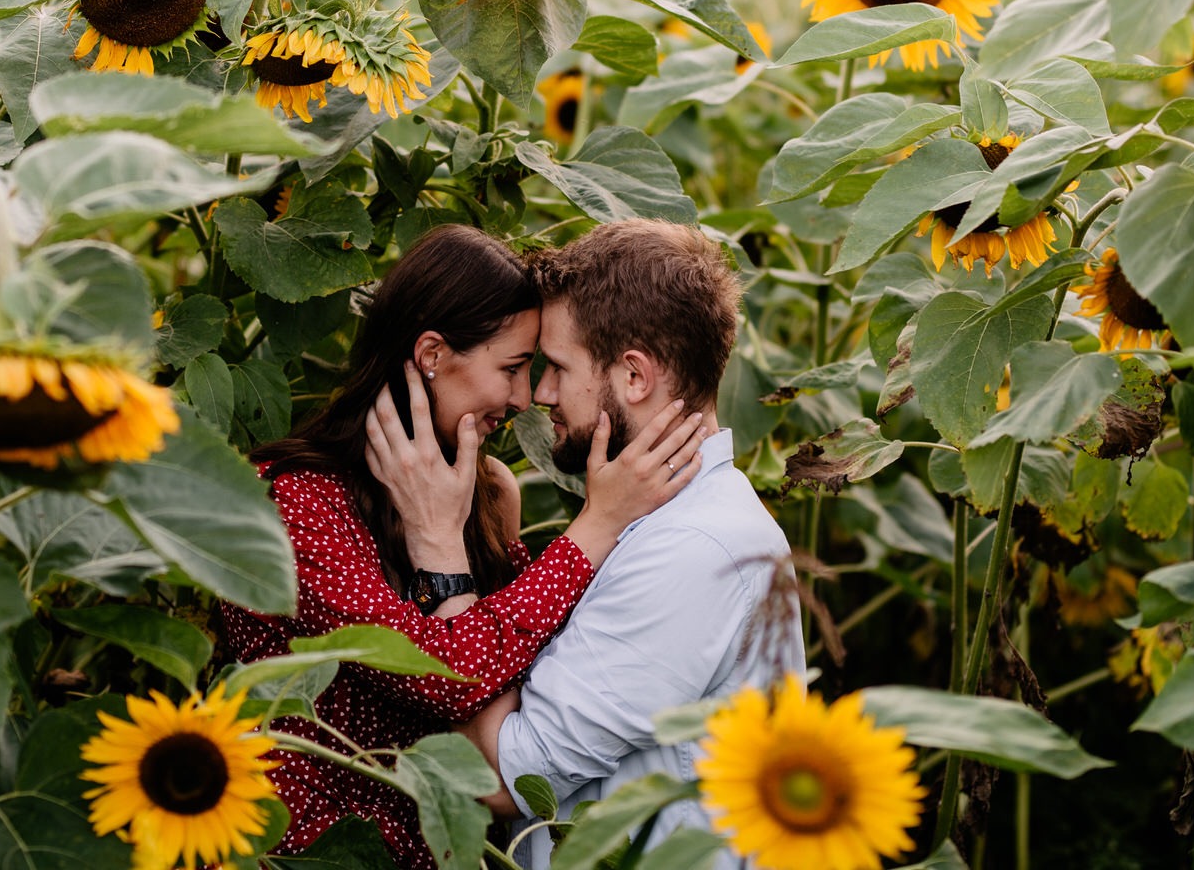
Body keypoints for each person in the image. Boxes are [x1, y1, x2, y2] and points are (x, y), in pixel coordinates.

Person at [219, 223, 708, 868]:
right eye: (510, 367)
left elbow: (523, 682)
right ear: (431, 354)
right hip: (293, 851)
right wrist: (595, 525)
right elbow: (445, 677)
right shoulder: (294, 505)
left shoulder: (487, 493)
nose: (524, 395)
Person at [428, 219, 806, 869]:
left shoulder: (694, 548)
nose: (540, 394)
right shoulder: (664, 521)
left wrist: (440, 550)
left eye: (559, 366)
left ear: (634, 376)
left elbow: (498, 774)